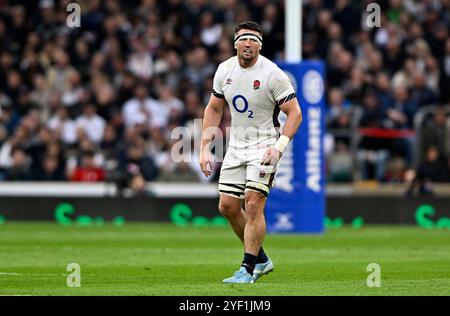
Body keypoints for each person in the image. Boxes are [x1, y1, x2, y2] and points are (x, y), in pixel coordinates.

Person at [199, 21, 302, 283]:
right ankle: (262, 259)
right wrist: (204, 148)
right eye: (244, 39)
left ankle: (247, 268)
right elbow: (213, 108)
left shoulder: (273, 74)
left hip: (264, 145)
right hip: (236, 145)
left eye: (254, 40)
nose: (248, 44)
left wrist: (278, 148)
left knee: (253, 202)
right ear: (235, 43)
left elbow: (295, 113)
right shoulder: (225, 70)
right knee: (228, 206)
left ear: (260, 45)